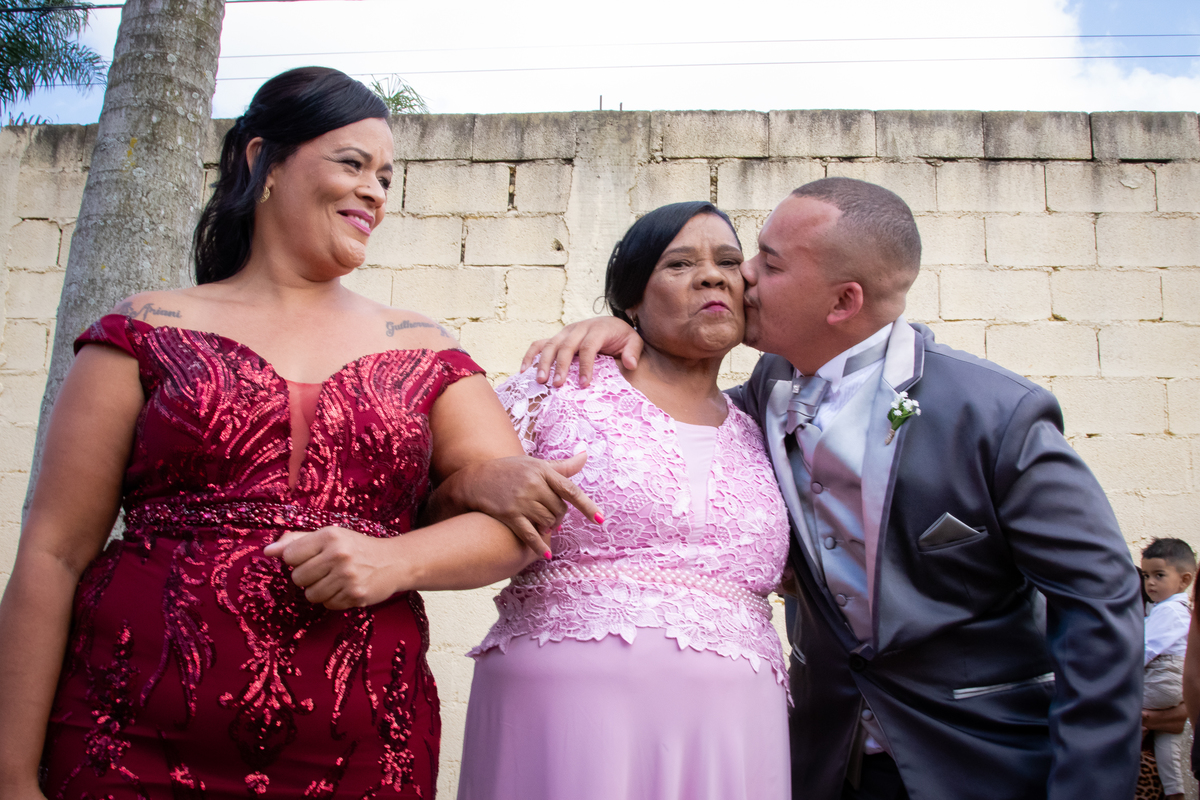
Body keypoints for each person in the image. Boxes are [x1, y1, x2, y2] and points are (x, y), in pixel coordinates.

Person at [0, 67, 594, 800]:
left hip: (360, 747)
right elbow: (54, 554)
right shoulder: (144, 330)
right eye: (352, 164)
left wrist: (392, 560)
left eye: (386, 176)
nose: (375, 191)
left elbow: (516, 527)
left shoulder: (426, 348)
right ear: (263, 162)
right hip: (123, 737)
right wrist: (13, 774)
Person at [523, 177, 1144, 799]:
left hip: (980, 759)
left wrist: (1090, 785)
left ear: (843, 302)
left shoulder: (996, 414)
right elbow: (673, 425)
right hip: (820, 760)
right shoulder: (763, 395)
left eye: (766, 263)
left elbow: (1099, 598)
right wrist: (627, 332)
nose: (744, 281)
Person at [456, 202, 792, 800]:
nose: (713, 275)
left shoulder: (767, 426)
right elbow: (429, 503)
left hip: (734, 735)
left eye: (728, 262)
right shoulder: (557, 387)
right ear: (632, 301)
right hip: (561, 727)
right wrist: (466, 484)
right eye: (679, 263)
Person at [1141, 538, 1196, 800]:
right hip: (1175, 693)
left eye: (1159, 575)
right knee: (1168, 744)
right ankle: (1176, 792)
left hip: (1163, 682)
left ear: (1184, 580)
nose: (1150, 582)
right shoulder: (1178, 611)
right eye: (1146, 575)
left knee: (1112, 705)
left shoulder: (1170, 611)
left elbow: (1145, 650)